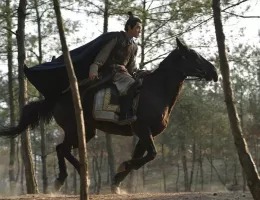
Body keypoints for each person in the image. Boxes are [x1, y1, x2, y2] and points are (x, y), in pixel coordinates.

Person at [88, 12, 142, 124]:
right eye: (137, 27)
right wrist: (94, 69)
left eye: (140, 28)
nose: (139, 31)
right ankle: (124, 115)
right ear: (129, 27)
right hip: (111, 71)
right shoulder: (116, 38)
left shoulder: (134, 46)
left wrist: (140, 73)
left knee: (139, 82)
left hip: (123, 73)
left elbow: (131, 67)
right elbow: (102, 56)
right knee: (131, 84)